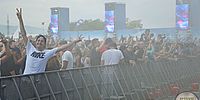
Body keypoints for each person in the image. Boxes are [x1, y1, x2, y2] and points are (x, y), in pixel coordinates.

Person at [16, 8, 82, 74]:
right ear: (36, 42)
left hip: (37, 80)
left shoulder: (47, 53)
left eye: (42, 41)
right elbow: (23, 34)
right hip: (26, 79)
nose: (39, 42)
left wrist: (74, 42)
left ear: (45, 44)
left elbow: (62, 47)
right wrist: (20, 20)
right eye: (38, 40)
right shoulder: (30, 48)